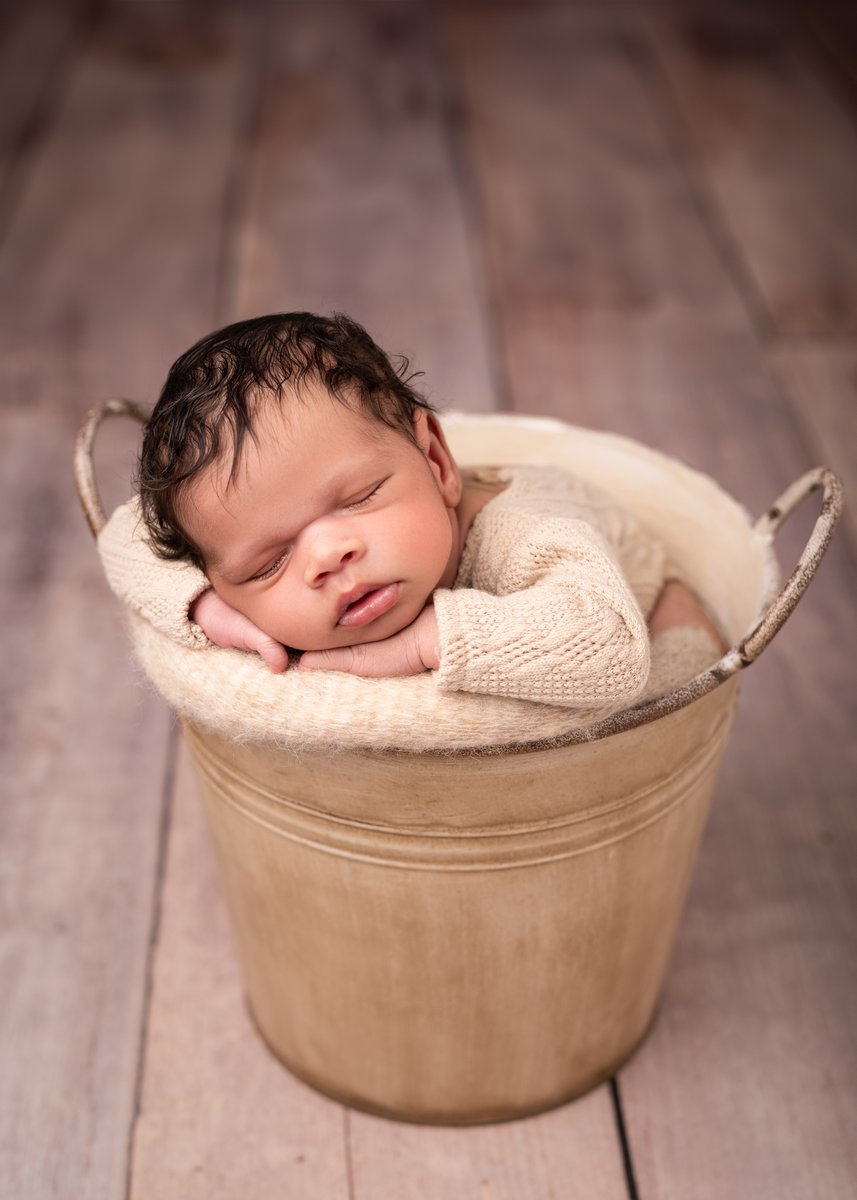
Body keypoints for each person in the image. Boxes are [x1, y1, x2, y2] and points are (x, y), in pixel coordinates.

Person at [99, 311, 723, 711]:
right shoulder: (228, 582)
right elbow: (123, 536)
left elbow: (608, 650)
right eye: (268, 563)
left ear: (436, 462)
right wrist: (211, 611)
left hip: (638, 606)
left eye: (359, 498)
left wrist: (425, 642)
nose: (326, 555)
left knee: (673, 675)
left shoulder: (523, 532)